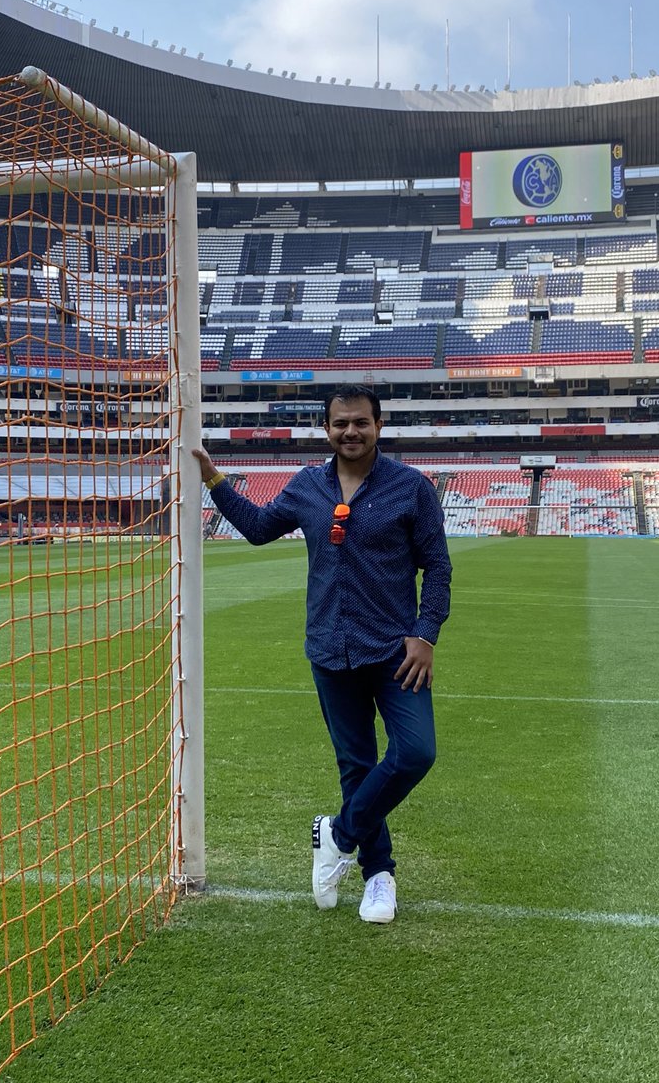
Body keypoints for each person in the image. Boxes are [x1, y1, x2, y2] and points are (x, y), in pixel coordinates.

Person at [194, 385, 451, 924]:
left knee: (416, 752)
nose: (350, 432)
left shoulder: (412, 489)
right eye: (340, 424)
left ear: (379, 425)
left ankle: (336, 833)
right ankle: (379, 876)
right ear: (326, 429)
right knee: (356, 765)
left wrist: (425, 633)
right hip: (330, 649)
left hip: (396, 651)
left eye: (361, 422)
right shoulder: (308, 486)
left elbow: (438, 567)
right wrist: (215, 481)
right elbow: (262, 529)